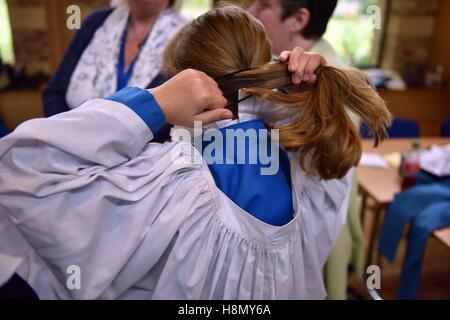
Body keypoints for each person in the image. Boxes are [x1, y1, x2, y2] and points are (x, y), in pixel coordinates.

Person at [0, 6, 391, 299]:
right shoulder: (314, 168)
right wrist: (293, 100)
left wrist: (150, 103)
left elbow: (19, 168)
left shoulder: (162, 182)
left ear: (183, 83)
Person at [249, 0, 365, 299]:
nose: (252, 11)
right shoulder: (281, 65)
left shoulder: (326, 84)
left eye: (264, 5)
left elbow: (316, 177)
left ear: (299, 19)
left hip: (308, 231)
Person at [42, 0, 187, 141]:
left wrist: (105, 143)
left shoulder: (185, 40)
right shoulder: (95, 23)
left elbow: (173, 115)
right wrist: (67, 135)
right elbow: (54, 92)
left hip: (139, 158)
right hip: (70, 145)